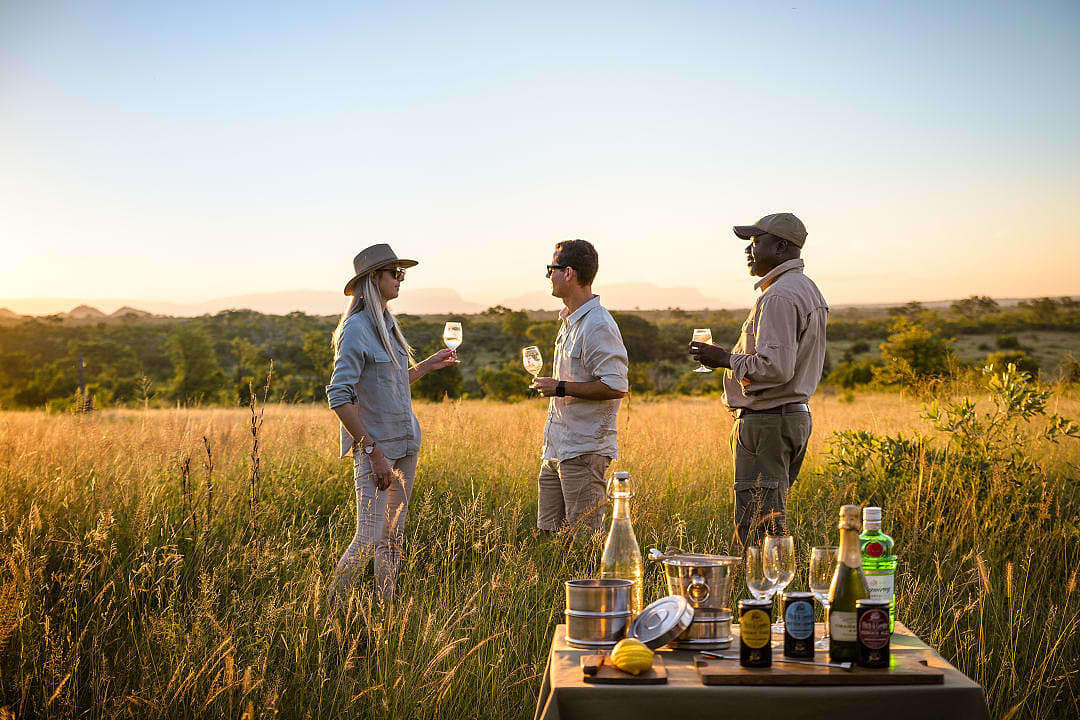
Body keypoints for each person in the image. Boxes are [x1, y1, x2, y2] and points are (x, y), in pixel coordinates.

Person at [325, 243, 458, 606]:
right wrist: (371, 451)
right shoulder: (356, 329)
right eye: (395, 273)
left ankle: (386, 610)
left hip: (406, 444)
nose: (401, 279)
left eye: (403, 273)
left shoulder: (388, 322)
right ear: (373, 279)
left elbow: (391, 384)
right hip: (378, 450)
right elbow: (339, 395)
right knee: (367, 538)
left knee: (392, 538)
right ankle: (329, 613)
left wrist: (427, 366)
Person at [689, 213, 828, 547]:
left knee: (758, 527)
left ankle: (763, 594)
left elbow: (775, 368)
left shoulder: (779, 296)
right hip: (788, 417)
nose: (749, 251)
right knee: (769, 518)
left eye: (756, 242)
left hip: (768, 421)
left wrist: (723, 359)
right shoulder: (807, 289)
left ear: (780, 247)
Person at [531, 239, 629, 536]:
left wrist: (560, 387)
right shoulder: (569, 320)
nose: (549, 275)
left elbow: (615, 385)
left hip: (585, 449)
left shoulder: (597, 324)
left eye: (552, 268)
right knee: (549, 534)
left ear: (569, 273)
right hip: (557, 447)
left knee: (586, 539)